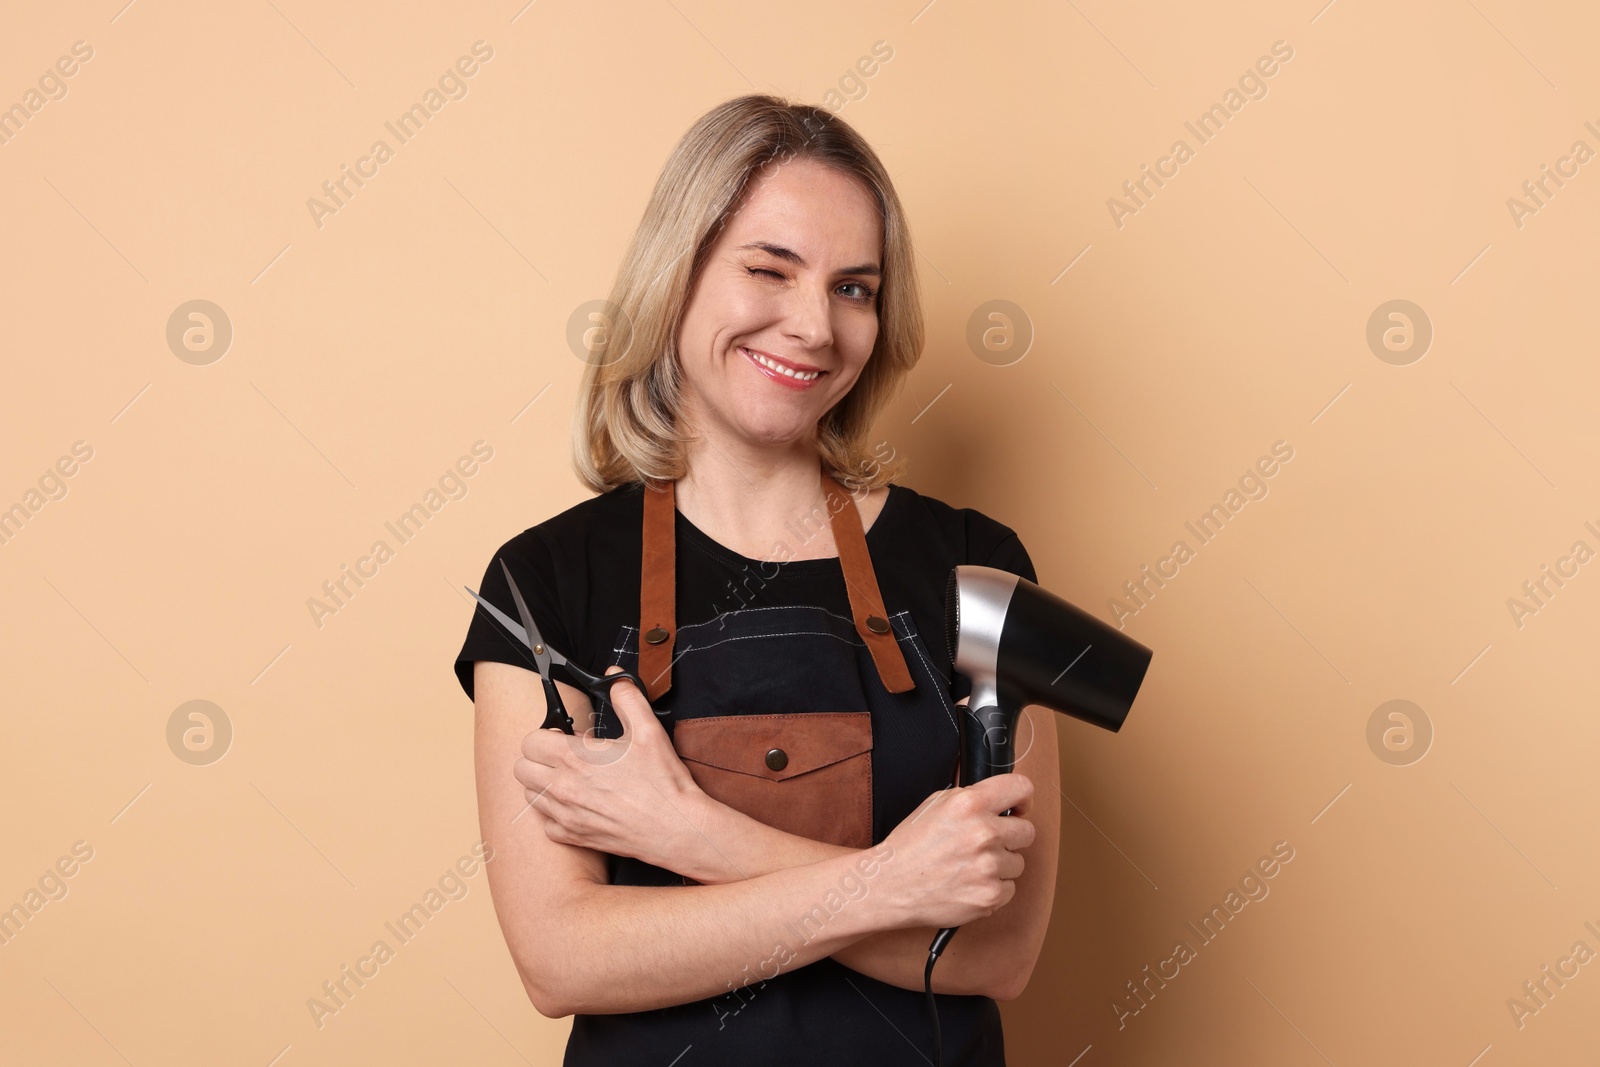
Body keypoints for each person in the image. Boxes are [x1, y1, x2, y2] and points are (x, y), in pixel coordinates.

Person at [452, 93, 1060, 1066]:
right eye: (769, 270)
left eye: (854, 288)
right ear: (676, 276)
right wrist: (900, 882)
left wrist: (693, 833)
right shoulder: (538, 584)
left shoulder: (985, 569)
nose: (815, 325)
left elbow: (1000, 948)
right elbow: (561, 957)